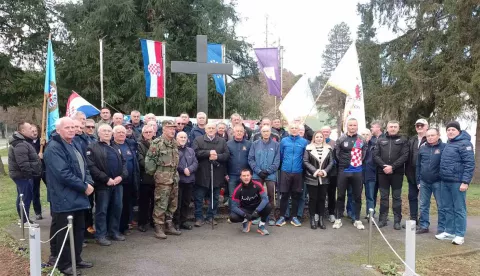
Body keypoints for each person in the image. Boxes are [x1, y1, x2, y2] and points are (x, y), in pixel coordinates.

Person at [44, 117, 94, 275]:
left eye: (73, 127)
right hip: (64, 197)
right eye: (67, 127)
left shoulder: (75, 143)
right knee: (65, 233)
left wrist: (89, 182)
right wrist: (84, 186)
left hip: (78, 196)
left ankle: (76, 258)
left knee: (79, 231)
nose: (72, 130)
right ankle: (64, 264)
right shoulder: (54, 147)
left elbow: (84, 166)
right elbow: (63, 174)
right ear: (58, 130)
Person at [87, 124, 128, 246]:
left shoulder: (116, 146)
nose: (106, 133)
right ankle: (101, 235)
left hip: (118, 184)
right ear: (98, 133)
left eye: (109, 131)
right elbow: (91, 166)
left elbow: (124, 163)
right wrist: (106, 179)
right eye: (104, 131)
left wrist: (121, 176)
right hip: (103, 185)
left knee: (117, 208)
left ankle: (113, 232)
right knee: (102, 210)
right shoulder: (92, 147)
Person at [436, 121, 475, 245]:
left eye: (453, 129)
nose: (450, 132)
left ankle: (459, 234)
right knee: (447, 207)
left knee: (459, 208)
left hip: (457, 182)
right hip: (445, 181)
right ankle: (449, 231)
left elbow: (469, 164)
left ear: (458, 131)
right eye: (448, 130)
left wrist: (465, 182)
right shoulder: (448, 144)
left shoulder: (465, 144)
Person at [145, 120, 182, 239]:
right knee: (161, 203)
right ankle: (159, 227)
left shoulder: (174, 143)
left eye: (174, 128)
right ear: (164, 129)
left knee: (172, 203)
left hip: (174, 178)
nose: (173, 130)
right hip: (162, 179)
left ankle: (169, 224)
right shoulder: (157, 143)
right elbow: (150, 161)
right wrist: (155, 175)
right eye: (170, 128)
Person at [373, 120, 409, 230]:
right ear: (387, 128)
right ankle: (382, 220)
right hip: (382, 173)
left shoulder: (403, 140)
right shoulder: (381, 140)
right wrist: (384, 166)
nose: (393, 128)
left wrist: (392, 167)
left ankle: (397, 221)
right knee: (383, 197)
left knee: (396, 197)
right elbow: (375, 155)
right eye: (391, 126)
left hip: (397, 173)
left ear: (398, 128)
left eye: (395, 127)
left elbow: (405, 156)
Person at [192, 122, 230, 227]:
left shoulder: (222, 141)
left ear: (216, 130)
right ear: (205, 129)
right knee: (199, 197)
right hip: (202, 173)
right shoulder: (198, 140)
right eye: (209, 128)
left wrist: (217, 157)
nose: (211, 130)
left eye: (213, 128)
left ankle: (211, 216)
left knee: (215, 197)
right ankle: (199, 217)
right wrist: (208, 153)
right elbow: (195, 153)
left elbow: (226, 155)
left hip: (217, 173)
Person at [333, 118, 366, 230]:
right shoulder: (341, 139)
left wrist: (356, 164)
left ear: (357, 126)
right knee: (341, 195)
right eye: (350, 125)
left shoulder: (361, 139)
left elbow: (364, 154)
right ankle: (338, 219)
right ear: (347, 126)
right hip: (343, 170)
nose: (352, 127)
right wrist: (344, 164)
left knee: (357, 196)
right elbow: (336, 154)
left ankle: (357, 219)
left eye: (354, 125)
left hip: (357, 171)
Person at [8, 121, 42, 223]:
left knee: (23, 196)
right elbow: (23, 163)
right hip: (23, 176)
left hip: (23, 175)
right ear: (23, 131)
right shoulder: (20, 144)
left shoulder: (23, 141)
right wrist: (29, 176)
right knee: (25, 198)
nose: (32, 130)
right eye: (29, 129)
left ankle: (23, 219)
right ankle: (24, 221)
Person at [275, 123, 308, 227]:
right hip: (285, 171)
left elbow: (305, 157)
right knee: (284, 195)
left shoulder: (304, 142)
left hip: (298, 172)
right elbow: (280, 155)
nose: (294, 129)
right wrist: (282, 168)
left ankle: (294, 217)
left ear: (299, 130)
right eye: (292, 128)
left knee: (295, 195)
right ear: (289, 130)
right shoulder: (284, 141)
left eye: (296, 128)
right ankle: (282, 217)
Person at [248, 125, 280, 226]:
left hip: (270, 175)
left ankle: (271, 216)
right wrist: (258, 171)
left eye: (267, 131)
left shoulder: (276, 145)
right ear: (260, 133)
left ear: (270, 132)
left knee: (271, 196)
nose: (266, 133)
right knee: (257, 196)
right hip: (257, 175)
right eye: (264, 131)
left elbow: (277, 160)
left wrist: (268, 171)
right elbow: (251, 159)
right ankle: (258, 216)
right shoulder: (255, 144)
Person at [416, 128, 445, 235]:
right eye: (428, 136)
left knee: (441, 205)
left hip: (439, 182)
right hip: (424, 182)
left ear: (438, 135)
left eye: (432, 135)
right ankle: (424, 226)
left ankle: (442, 228)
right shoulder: (422, 149)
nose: (430, 137)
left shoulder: (444, 147)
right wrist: (418, 180)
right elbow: (418, 165)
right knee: (423, 205)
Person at [112, 125, 139, 235]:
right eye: (118, 132)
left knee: (127, 205)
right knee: (117, 206)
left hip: (130, 181)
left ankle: (124, 227)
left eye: (123, 132)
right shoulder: (111, 145)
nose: (121, 134)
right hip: (117, 181)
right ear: (113, 134)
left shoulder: (129, 144)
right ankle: (115, 229)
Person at [303, 130, 334, 229]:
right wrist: (315, 171)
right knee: (312, 199)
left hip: (324, 178)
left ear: (323, 138)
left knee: (322, 198)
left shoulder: (329, 149)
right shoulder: (308, 148)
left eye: (321, 137)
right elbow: (306, 161)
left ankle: (321, 219)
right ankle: (312, 219)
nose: (319, 138)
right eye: (317, 137)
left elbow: (331, 163)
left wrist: (324, 171)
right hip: (312, 177)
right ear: (314, 138)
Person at [230, 169, 272, 235]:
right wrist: (245, 215)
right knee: (233, 217)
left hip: (257, 209)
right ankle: (245, 221)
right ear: (240, 177)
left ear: (251, 176)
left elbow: (265, 199)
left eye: (247, 175)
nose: (246, 177)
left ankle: (261, 226)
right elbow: (234, 207)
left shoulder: (258, 185)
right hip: (245, 211)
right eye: (244, 176)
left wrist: (257, 211)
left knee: (268, 206)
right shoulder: (237, 189)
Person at [404, 118, 429, 226]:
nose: (419, 127)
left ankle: (423, 221)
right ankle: (413, 219)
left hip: (425, 175)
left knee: (424, 200)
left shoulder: (430, 138)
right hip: (412, 174)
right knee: (412, 197)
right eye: (417, 125)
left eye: (421, 125)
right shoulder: (412, 140)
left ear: (426, 127)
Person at [173, 131, 198, 230]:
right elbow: (174, 163)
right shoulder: (173, 150)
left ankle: (184, 221)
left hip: (190, 180)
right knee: (177, 203)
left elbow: (195, 162)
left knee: (186, 202)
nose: (183, 139)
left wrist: (190, 169)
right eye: (181, 137)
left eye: (184, 137)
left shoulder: (191, 150)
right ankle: (176, 222)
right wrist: (183, 170)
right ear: (176, 139)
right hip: (179, 180)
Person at [226, 125, 252, 206]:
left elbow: (251, 158)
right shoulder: (228, 144)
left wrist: (250, 173)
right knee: (232, 195)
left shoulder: (249, 144)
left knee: (245, 195)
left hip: (245, 175)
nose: (239, 133)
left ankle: (244, 214)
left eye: (241, 131)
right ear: (233, 133)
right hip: (232, 174)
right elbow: (225, 160)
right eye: (237, 131)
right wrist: (225, 173)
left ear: (244, 133)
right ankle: (233, 215)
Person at [137, 125, 155, 232]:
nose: (148, 134)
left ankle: (153, 221)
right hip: (145, 178)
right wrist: (154, 167)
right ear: (143, 134)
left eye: (150, 132)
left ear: (154, 133)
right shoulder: (139, 145)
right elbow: (141, 160)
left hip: (156, 178)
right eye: (146, 132)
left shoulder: (157, 144)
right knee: (144, 202)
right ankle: (142, 223)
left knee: (155, 202)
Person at [321, 126, 338, 223]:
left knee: (331, 194)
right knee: (321, 194)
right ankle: (320, 213)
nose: (325, 133)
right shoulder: (316, 142)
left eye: (327, 131)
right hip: (319, 173)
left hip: (332, 173)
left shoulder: (334, 143)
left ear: (330, 132)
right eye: (323, 131)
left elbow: (336, 158)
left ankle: (331, 213)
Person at [361, 129, 376, 220]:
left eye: (367, 134)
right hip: (358, 173)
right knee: (357, 196)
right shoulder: (357, 144)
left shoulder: (375, 145)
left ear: (371, 136)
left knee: (370, 196)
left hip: (370, 174)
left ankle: (370, 215)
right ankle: (355, 214)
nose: (365, 136)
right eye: (363, 134)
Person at [29, 124, 43, 220]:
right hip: (35, 171)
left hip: (44, 169)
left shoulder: (42, 142)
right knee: (35, 192)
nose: (34, 133)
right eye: (32, 131)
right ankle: (38, 212)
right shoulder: (27, 143)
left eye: (36, 131)